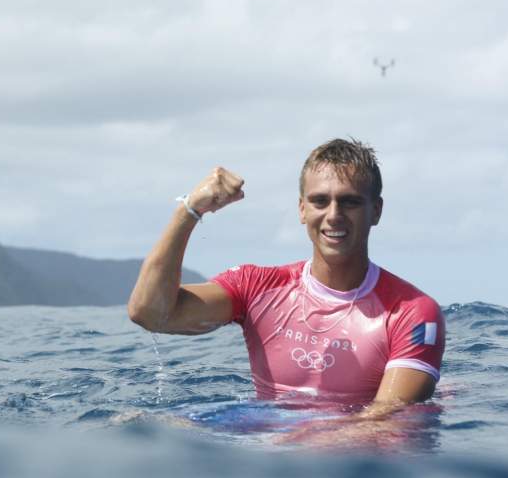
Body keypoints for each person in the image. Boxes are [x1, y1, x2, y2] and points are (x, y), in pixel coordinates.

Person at [128, 138, 444, 422]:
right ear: (302, 209)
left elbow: (384, 424)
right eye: (320, 201)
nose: (333, 214)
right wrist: (190, 210)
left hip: (347, 469)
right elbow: (150, 313)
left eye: (349, 201)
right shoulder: (256, 287)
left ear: (376, 211)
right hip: (271, 449)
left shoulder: (413, 313)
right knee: (137, 424)